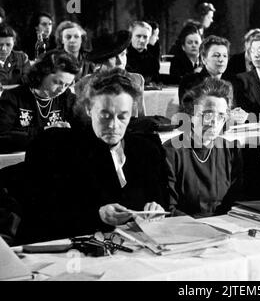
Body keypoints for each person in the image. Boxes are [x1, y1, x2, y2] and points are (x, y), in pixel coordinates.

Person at [16, 68, 169, 244]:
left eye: (122, 117)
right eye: (105, 116)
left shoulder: (147, 149)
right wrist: (97, 214)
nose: (114, 125)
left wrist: (156, 209)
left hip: (133, 247)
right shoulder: (58, 149)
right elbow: (43, 213)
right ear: (89, 109)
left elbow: (160, 200)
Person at [165, 77, 244, 217]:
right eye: (207, 114)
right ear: (190, 114)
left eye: (221, 115)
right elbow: (168, 209)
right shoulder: (171, 152)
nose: (214, 122)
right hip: (186, 231)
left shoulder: (230, 149)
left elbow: (237, 201)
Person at [0, 50, 79, 153]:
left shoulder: (67, 98)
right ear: (42, 74)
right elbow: (3, 136)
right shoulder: (12, 97)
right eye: (57, 82)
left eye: (66, 85)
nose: (61, 89)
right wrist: (46, 130)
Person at [75, 29, 145, 122]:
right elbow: (82, 120)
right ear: (102, 60)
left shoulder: (137, 79)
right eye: (113, 57)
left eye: (123, 54)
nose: (120, 62)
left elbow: (141, 117)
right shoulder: (85, 83)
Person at [178, 35, 233, 103]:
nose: (221, 60)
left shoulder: (231, 83)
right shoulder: (190, 81)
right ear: (204, 59)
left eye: (225, 56)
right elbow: (190, 110)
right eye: (216, 55)